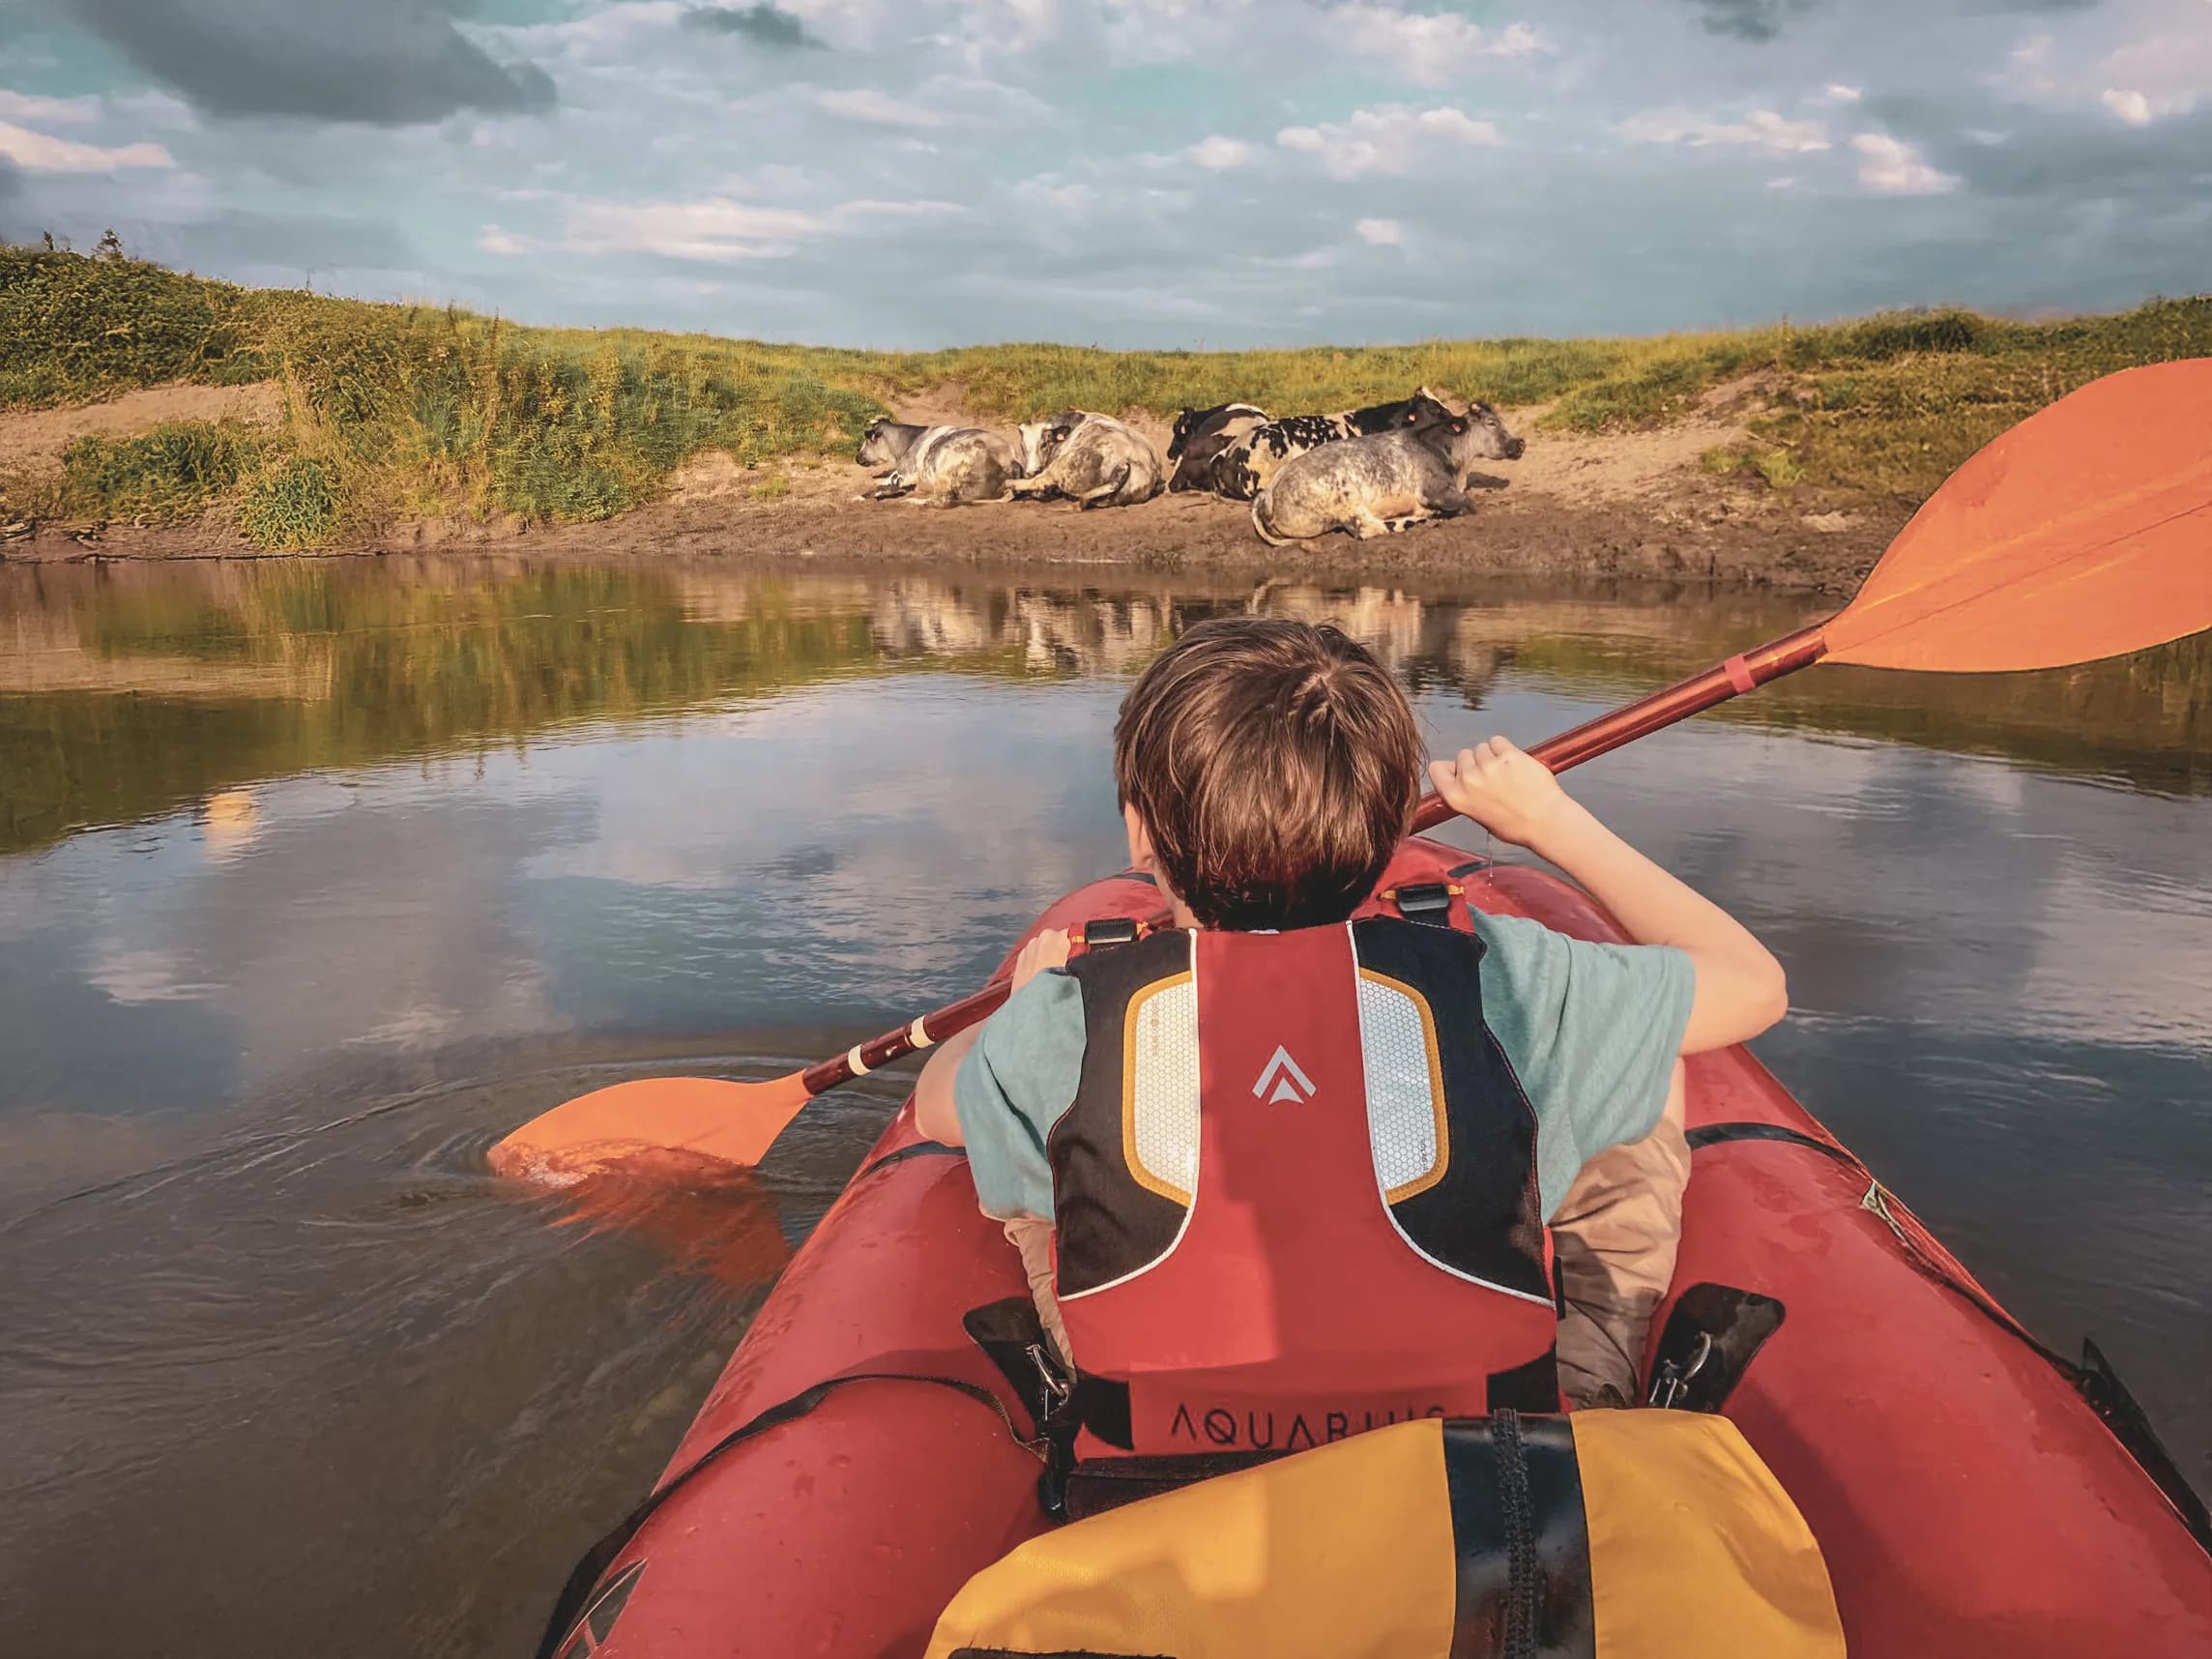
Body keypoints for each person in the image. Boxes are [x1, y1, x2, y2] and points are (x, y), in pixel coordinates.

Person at [914, 618, 1787, 1448]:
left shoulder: (1069, 1016)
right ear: (1388, 843)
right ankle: (1597, 1375)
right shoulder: (1512, 978)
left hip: (1166, 1446)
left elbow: (932, 1108)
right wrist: (1549, 823)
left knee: (1029, 1168)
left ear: (1141, 832)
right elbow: (1752, 987)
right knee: (1647, 1055)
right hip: (1484, 1455)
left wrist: (1021, 1007)